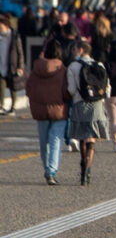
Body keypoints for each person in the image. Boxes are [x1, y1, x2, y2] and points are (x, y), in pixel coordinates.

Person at [26, 39, 71, 184]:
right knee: (56, 140)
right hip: (59, 110)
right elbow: (66, 91)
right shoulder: (62, 70)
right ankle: (51, 171)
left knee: (44, 141)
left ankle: (46, 168)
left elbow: (29, 88)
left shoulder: (36, 69)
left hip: (40, 110)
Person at [67, 40, 111, 185]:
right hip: (96, 105)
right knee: (91, 139)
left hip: (80, 105)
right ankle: (87, 170)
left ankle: (82, 164)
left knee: (82, 137)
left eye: (75, 49)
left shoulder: (73, 66)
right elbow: (107, 89)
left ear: (80, 50)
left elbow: (71, 90)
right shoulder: (99, 65)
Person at [0, 14, 25, 115]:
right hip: (1, 64)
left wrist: (20, 66)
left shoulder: (14, 36)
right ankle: (1, 105)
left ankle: (13, 107)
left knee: (12, 86)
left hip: (12, 64)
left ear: (6, 25)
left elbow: (20, 52)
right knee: (1, 85)